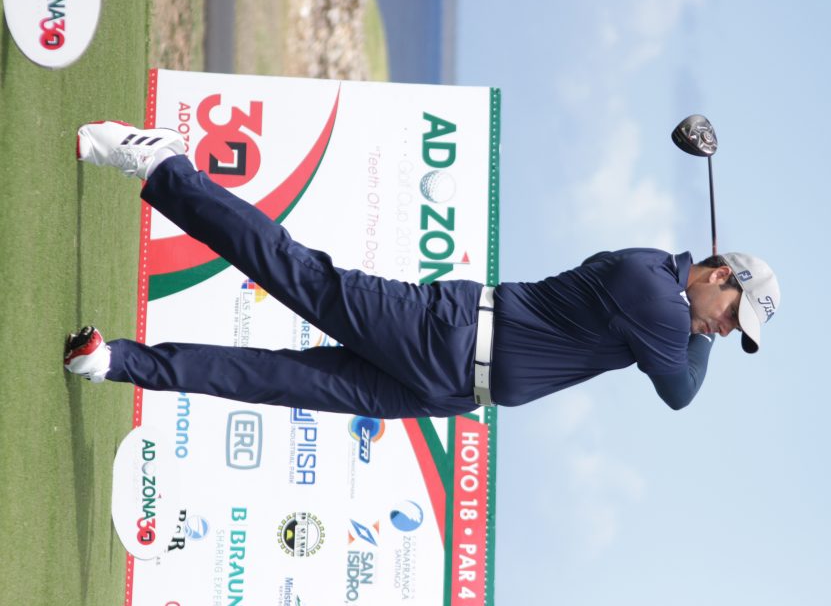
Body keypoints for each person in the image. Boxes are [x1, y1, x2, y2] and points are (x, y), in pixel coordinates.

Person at [64, 121, 781, 419]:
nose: (723, 330)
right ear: (719, 273)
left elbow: (682, 367)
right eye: (731, 316)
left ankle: (114, 361)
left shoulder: (668, 304)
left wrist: (703, 326)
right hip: (443, 334)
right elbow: (681, 392)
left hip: (451, 387)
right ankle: (165, 165)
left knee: (275, 379)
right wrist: (701, 337)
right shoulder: (653, 293)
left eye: (733, 332)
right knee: (292, 272)